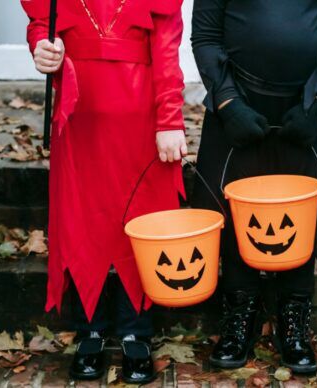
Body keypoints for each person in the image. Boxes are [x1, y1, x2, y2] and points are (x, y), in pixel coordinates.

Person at [21, 0, 187, 382]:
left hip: (141, 123)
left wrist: (169, 119)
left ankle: (136, 332)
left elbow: (166, 51)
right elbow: (42, 24)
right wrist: (42, 48)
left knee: (141, 222)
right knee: (83, 220)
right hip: (81, 122)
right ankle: (89, 330)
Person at [190, 0, 317, 374]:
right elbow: (205, 37)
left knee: (300, 213)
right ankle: (239, 320)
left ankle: (294, 322)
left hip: (305, 106)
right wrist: (228, 103)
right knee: (232, 210)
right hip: (239, 102)